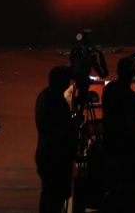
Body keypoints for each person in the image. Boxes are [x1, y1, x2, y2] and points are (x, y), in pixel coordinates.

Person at [34, 65, 80, 213]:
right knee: (54, 202)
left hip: (47, 159)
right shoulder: (52, 104)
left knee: (47, 198)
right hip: (53, 162)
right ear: (64, 83)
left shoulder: (45, 95)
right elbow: (51, 136)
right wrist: (72, 124)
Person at [102, 56, 135, 168]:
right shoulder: (132, 97)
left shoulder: (109, 88)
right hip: (125, 149)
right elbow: (132, 126)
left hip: (109, 144)